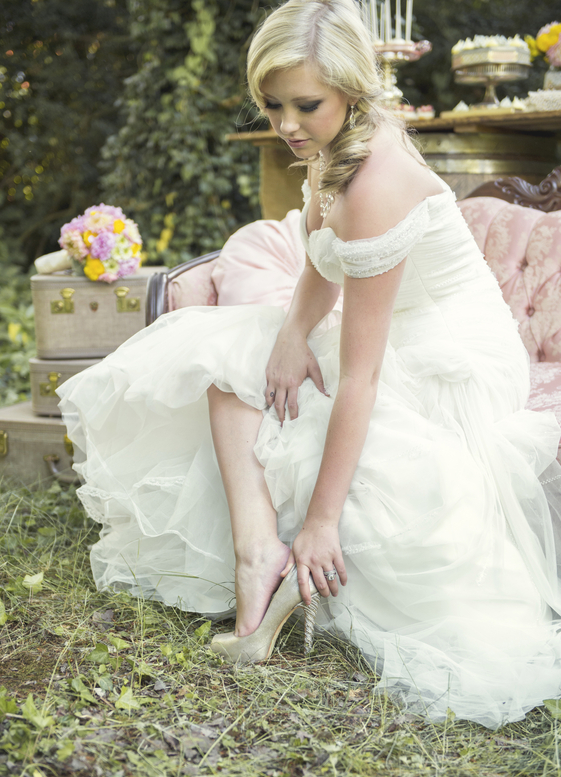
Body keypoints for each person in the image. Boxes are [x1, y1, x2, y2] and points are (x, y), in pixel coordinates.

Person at [58, 0, 561, 729]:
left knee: (320, 447)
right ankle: (257, 552)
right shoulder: (334, 146)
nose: (286, 124)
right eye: (272, 103)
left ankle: (290, 541)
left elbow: (364, 375)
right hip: (392, 337)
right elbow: (322, 255)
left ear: (352, 91)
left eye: (305, 105)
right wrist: (293, 328)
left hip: (453, 359)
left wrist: (322, 521)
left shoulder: (376, 181)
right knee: (229, 359)